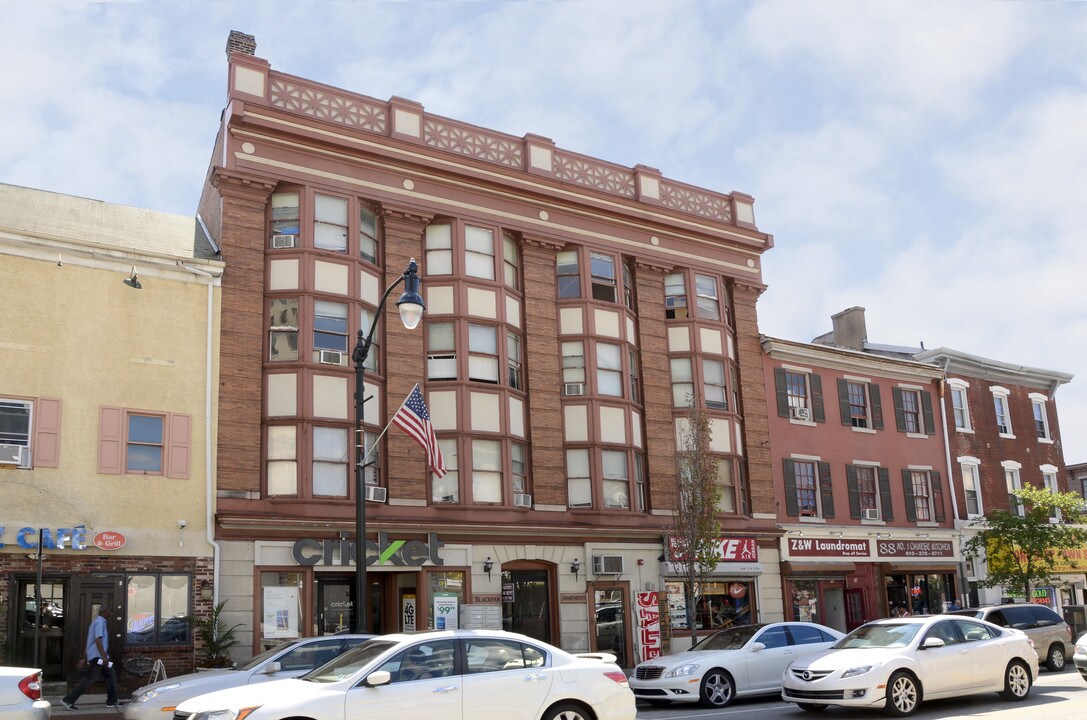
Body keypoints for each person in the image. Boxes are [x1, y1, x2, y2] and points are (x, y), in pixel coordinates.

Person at [62, 606, 118, 710]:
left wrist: (84, 658)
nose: (111, 613)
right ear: (104, 612)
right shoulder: (100, 623)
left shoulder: (97, 622)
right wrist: (104, 656)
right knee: (89, 679)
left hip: (98, 657)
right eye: (110, 611)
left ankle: (112, 701)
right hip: (99, 657)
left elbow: (89, 642)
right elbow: (97, 640)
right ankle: (68, 700)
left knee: (111, 676)